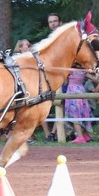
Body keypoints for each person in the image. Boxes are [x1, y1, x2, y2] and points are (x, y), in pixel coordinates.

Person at [42, 13, 63, 142]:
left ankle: (55, 133)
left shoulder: (64, 37)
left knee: (61, 103)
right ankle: (48, 134)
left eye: (55, 21)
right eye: (51, 22)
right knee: (44, 103)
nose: (53, 24)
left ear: (60, 22)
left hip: (62, 76)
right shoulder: (49, 39)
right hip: (49, 76)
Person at [64, 70, 93, 143]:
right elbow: (94, 78)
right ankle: (85, 135)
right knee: (82, 113)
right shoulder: (83, 70)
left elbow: (64, 81)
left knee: (75, 114)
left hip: (72, 91)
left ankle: (80, 137)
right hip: (81, 90)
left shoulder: (70, 70)